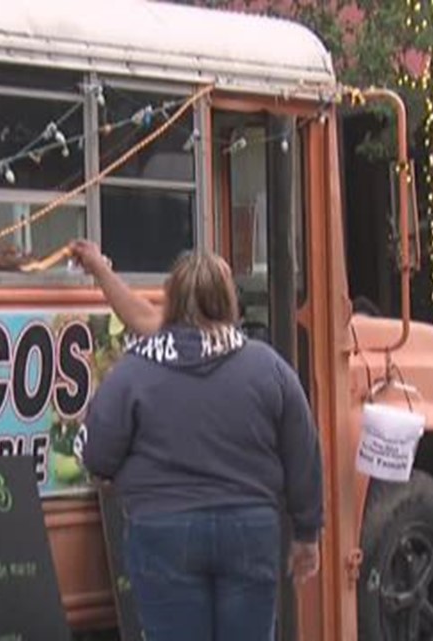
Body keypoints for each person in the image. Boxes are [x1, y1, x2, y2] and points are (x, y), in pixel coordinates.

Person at [77, 250, 324, 641]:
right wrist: (307, 533)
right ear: (229, 303)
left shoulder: (134, 371)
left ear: (171, 301)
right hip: (250, 528)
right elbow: (303, 451)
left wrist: (131, 479)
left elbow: (96, 455)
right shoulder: (268, 367)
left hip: (162, 531)